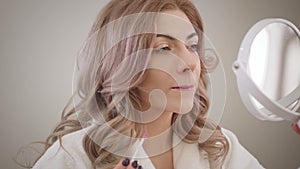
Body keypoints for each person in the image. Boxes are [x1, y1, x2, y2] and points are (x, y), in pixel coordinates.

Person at [30, 0, 265, 168]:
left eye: (192, 46)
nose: (189, 64)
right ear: (122, 63)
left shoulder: (218, 147)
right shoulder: (71, 157)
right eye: (164, 48)